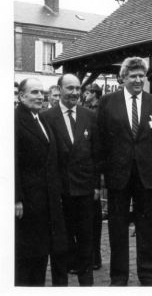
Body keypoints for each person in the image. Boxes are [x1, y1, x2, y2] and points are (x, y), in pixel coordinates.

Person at [97, 57, 152, 286]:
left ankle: (148, 277)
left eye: (141, 76)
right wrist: (101, 173)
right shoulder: (108, 102)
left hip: (147, 175)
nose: (138, 80)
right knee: (117, 230)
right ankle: (118, 278)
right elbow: (100, 141)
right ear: (123, 78)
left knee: (146, 229)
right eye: (133, 76)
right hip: (118, 175)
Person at [42, 74, 99, 286]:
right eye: (70, 88)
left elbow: (96, 153)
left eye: (78, 88)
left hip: (84, 191)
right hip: (60, 192)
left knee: (86, 242)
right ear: (59, 89)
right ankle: (60, 285)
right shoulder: (47, 117)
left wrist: (95, 186)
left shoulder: (90, 116)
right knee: (60, 243)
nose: (75, 92)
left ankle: (87, 285)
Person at [15, 78, 67, 286]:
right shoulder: (14, 120)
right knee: (26, 257)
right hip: (27, 201)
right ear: (21, 96)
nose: (40, 96)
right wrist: (16, 198)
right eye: (34, 92)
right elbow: (11, 163)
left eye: (42, 92)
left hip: (46, 200)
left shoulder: (41, 119)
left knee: (40, 254)